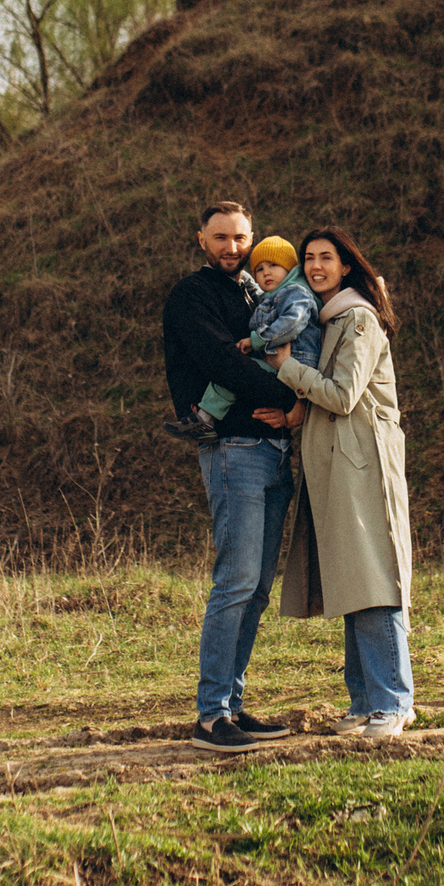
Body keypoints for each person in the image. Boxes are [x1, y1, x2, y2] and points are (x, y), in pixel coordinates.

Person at [159, 201, 303, 755]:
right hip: (232, 448)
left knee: (257, 589)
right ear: (201, 239)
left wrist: (292, 409)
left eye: (241, 238)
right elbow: (225, 364)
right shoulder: (191, 296)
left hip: (273, 449)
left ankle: (233, 706)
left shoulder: (255, 291)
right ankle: (211, 716)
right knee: (236, 582)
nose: (232, 248)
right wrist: (293, 393)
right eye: (220, 237)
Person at [266, 228, 415, 737]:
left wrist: (287, 370)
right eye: (308, 259)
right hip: (337, 466)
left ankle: (393, 702)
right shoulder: (327, 320)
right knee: (352, 583)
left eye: (326, 258)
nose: (315, 266)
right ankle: (364, 701)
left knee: (374, 581)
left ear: (346, 266)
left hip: (363, 465)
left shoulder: (358, 319)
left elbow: (345, 395)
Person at [171, 237, 324, 445]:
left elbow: (292, 323)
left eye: (273, 265)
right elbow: (254, 289)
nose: (266, 272)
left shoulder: (296, 293)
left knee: (236, 374)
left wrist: (256, 341)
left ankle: (204, 419)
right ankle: (204, 420)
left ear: (289, 269)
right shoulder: (273, 294)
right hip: (282, 364)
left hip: (296, 362)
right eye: (259, 269)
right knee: (231, 380)